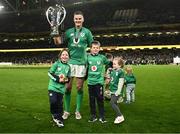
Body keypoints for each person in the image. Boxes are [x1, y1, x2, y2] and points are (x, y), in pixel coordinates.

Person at [54, 11, 94, 120]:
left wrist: (92, 58)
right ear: (73, 20)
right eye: (76, 19)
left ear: (83, 19)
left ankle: (77, 111)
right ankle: (66, 111)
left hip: (81, 63)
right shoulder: (68, 32)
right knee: (67, 88)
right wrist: (55, 33)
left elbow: (93, 46)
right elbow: (58, 43)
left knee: (79, 87)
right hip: (70, 63)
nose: (78, 20)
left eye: (79, 18)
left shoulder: (87, 32)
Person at [86, 41, 111, 123]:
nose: (95, 49)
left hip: (99, 82)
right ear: (91, 49)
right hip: (90, 82)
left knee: (100, 99)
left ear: (99, 49)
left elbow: (109, 64)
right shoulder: (87, 57)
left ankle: (102, 116)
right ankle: (93, 116)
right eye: (94, 48)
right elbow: (84, 67)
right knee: (91, 100)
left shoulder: (102, 57)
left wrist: (107, 74)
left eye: (97, 48)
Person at [47, 49, 71, 127]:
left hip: (61, 89)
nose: (65, 56)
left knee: (60, 104)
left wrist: (64, 80)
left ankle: (59, 119)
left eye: (66, 55)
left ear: (68, 57)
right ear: (60, 56)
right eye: (63, 55)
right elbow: (49, 73)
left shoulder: (68, 67)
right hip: (53, 87)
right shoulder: (56, 64)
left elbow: (68, 78)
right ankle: (54, 114)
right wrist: (58, 79)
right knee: (53, 101)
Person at [107, 57, 125, 124]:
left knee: (112, 103)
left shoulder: (121, 71)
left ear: (119, 65)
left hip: (116, 91)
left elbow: (121, 82)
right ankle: (118, 115)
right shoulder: (114, 71)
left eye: (115, 64)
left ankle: (120, 116)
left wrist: (118, 91)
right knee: (115, 103)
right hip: (112, 90)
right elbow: (111, 80)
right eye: (113, 64)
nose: (113, 65)